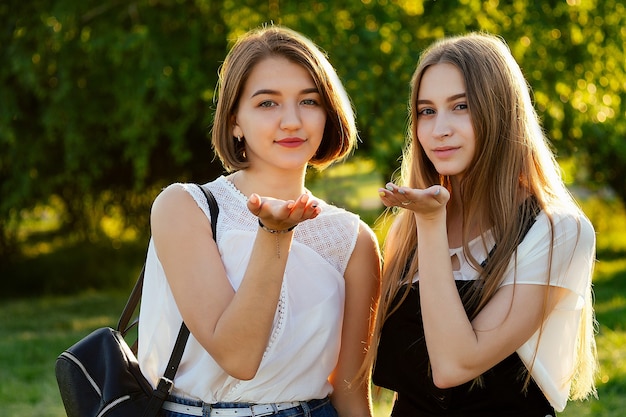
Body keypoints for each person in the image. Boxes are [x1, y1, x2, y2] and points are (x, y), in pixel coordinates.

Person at [137, 26, 381, 417]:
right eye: (268, 103)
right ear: (235, 120)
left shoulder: (353, 240)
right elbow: (239, 357)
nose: (291, 121)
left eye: (309, 101)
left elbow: (351, 392)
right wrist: (274, 234)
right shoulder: (186, 207)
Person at [371, 32, 598, 416]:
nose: (439, 128)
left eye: (460, 106)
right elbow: (410, 383)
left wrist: (430, 223)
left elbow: (454, 366)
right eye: (426, 111)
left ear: (500, 110)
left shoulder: (557, 229)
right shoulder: (406, 231)